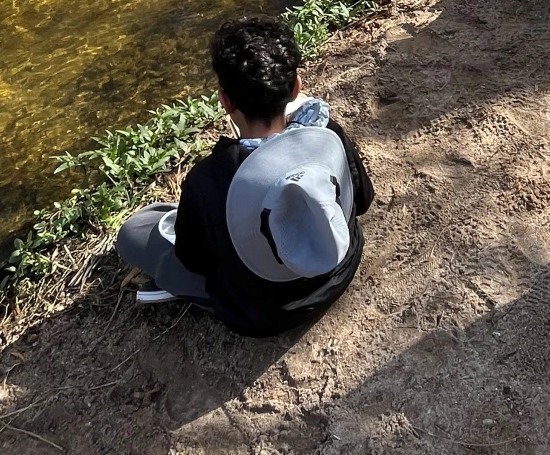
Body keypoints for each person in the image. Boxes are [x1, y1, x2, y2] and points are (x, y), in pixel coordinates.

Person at [117, 17, 374, 336]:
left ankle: (175, 287)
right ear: (296, 87)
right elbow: (362, 201)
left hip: (264, 316)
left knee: (135, 231)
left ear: (225, 101)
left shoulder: (209, 181)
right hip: (341, 267)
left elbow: (193, 260)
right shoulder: (329, 136)